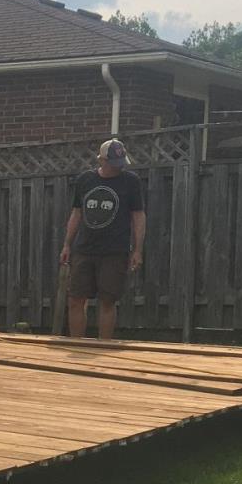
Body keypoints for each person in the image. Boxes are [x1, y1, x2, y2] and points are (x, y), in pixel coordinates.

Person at [60, 138, 146, 339]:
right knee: (75, 299)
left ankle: (103, 344)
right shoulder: (85, 180)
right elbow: (76, 213)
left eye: (121, 163)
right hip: (84, 248)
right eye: (114, 163)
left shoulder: (131, 182)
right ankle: (77, 345)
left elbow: (138, 215)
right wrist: (67, 245)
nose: (118, 167)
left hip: (114, 251)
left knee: (107, 301)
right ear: (101, 160)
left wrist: (138, 249)